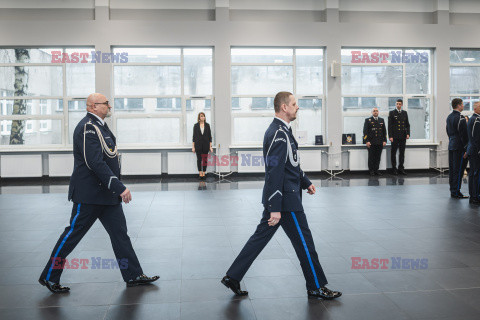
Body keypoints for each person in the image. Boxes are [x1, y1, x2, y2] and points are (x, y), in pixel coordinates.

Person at [221, 92, 341, 300]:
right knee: (305, 243)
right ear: (284, 107)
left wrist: (306, 182)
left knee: (259, 238)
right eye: (294, 104)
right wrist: (275, 207)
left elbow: (290, 165)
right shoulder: (279, 133)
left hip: (282, 197)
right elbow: (274, 172)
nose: (298, 107)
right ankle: (316, 286)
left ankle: (233, 276)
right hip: (286, 202)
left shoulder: (281, 131)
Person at [38, 93, 159, 293]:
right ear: (93, 106)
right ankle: (49, 277)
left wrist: (114, 188)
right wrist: (119, 187)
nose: (109, 106)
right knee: (72, 236)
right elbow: (95, 163)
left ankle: (133, 275)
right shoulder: (88, 128)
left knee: (120, 235)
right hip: (89, 195)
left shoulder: (100, 127)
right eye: (105, 103)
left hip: (106, 196)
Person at [446, 98, 468, 199]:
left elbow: (448, 131)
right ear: (458, 105)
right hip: (459, 147)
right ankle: (456, 191)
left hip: (451, 145)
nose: (463, 106)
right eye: (462, 104)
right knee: (459, 170)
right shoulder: (461, 118)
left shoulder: (449, 117)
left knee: (452, 169)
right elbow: (464, 135)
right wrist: (466, 149)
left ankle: (452, 190)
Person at [388, 99, 410, 175]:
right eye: (397, 104)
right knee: (393, 153)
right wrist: (390, 136)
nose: (398, 105)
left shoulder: (404, 113)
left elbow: (407, 125)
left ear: (402, 105)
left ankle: (401, 168)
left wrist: (408, 133)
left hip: (402, 136)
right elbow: (390, 126)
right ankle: (394, 169)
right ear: (395, 104)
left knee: (402, 153)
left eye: (400, 104)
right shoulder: (392, 113)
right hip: (394, 137)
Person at [363, 107, 387, 176]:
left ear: (378, 112)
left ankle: (376, 170)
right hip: (371, 142)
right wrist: (367, 141)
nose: (375, 112)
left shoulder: (381, 120)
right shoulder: (368, 120)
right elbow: (365, 132)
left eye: (376, 111)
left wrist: (385, 140)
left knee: (378, 157)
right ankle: (371, 171)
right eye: (374, 111)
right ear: (372, 112)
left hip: (379, 142)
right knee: (371, 157)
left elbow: (384, 131)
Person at [192, 112, 213, 180]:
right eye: (201, 116)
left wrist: (210, 147)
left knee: (205, 160)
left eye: (203, 116)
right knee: (199, 160)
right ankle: (200, 173)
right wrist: (193, 147)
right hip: (198, 145)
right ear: (199, 118)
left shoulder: (207, 125)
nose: (203, 117)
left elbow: (210, 137)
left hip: (206, 145)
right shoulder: (196, 126)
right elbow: (194, 137)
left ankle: (204, 173)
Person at [466, 102, 480, 204]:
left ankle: (474, 195)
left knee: (473, 173)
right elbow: (475, 137)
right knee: (475, 174)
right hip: (475, 150)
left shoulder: (473, 119)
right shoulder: (476, 120)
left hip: (472, 149)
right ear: (475, 109)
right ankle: (474, 196)